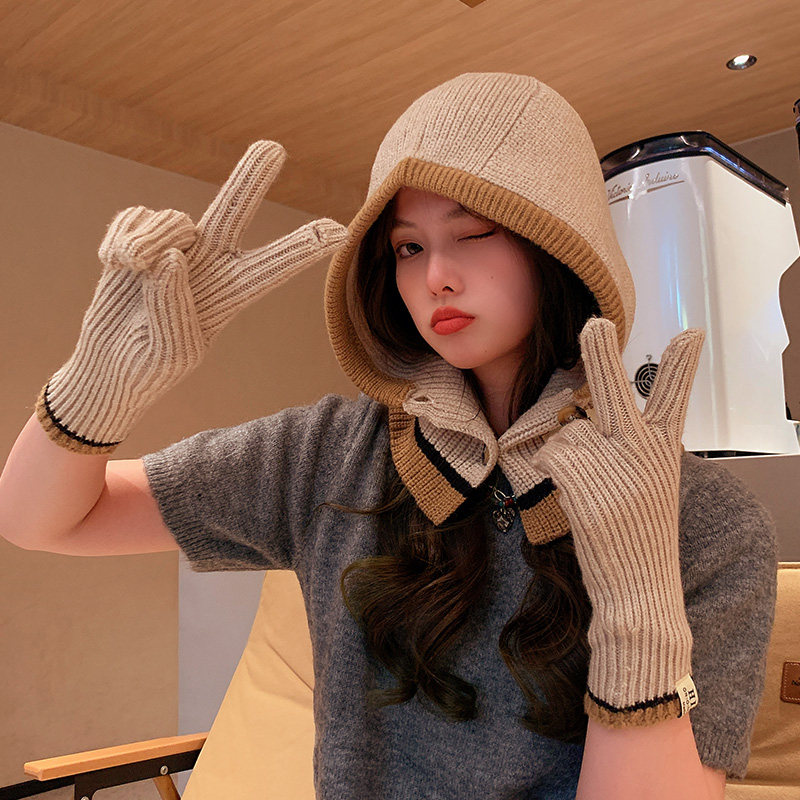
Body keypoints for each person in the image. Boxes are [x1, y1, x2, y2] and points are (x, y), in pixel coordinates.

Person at [0, 72, 777, 799]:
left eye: (473, 232)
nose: (435, 276)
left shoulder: (705, 520)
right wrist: (100, 383)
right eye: (408, 247)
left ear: (562, 243)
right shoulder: (328, 453)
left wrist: (638, 602)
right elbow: (43, 521)